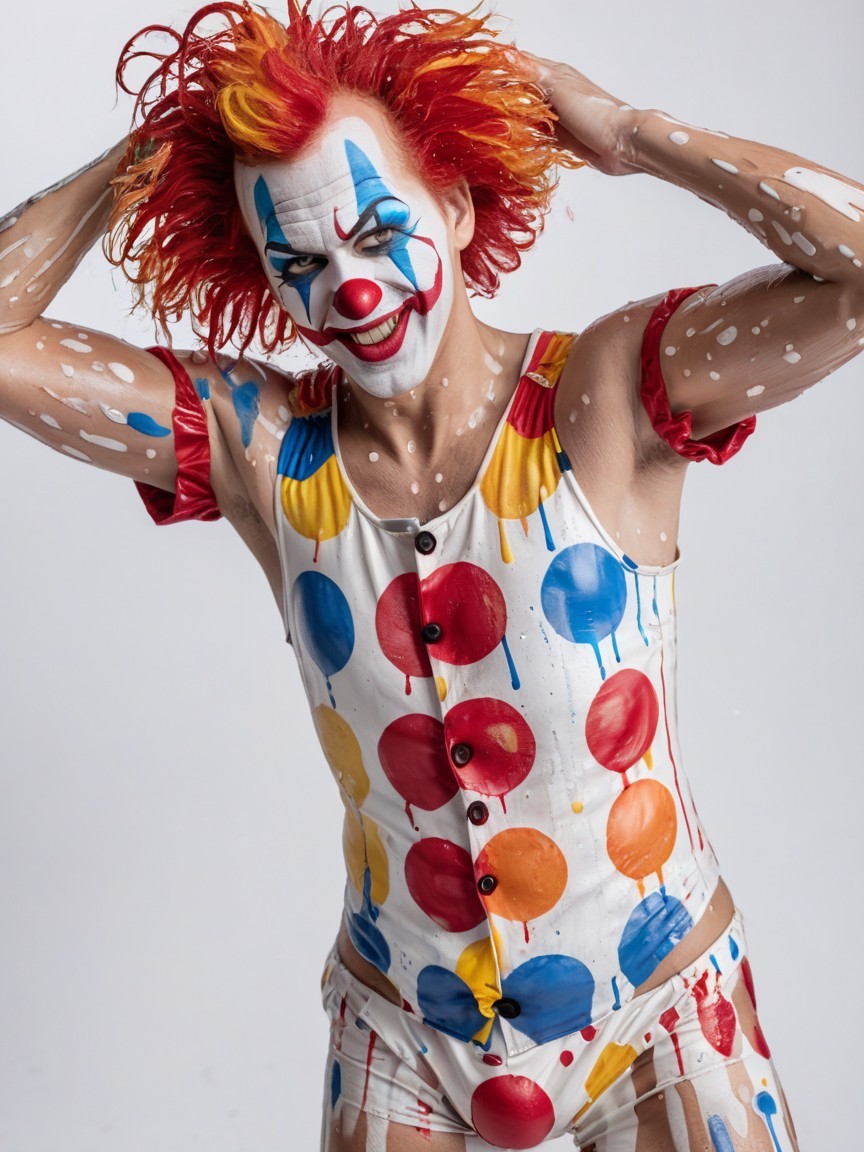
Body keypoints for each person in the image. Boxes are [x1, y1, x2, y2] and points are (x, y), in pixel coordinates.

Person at [1, 2, 861, 1148]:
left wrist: (628, 131)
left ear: (454, 207)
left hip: (663, 1010)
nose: (348, 291)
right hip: (403, 1026)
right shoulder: (259, 443)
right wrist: (139, 159)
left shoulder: (604, 396)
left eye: (376, 228)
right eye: (297, 260)